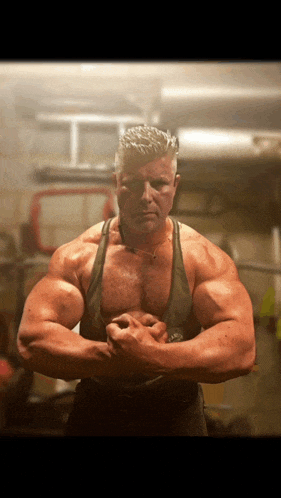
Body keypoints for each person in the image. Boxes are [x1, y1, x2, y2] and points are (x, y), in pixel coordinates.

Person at [17, 125, 256, 436]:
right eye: (133, 184)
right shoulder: (80, 257)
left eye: (159, 184)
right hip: (97, 413)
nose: (146, 197)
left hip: (176, 416)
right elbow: (31, 340)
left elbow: (241, 349)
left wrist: (154, 357)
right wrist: (109, 357)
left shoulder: (203, 258)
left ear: (175, 185)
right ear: (117, 183)